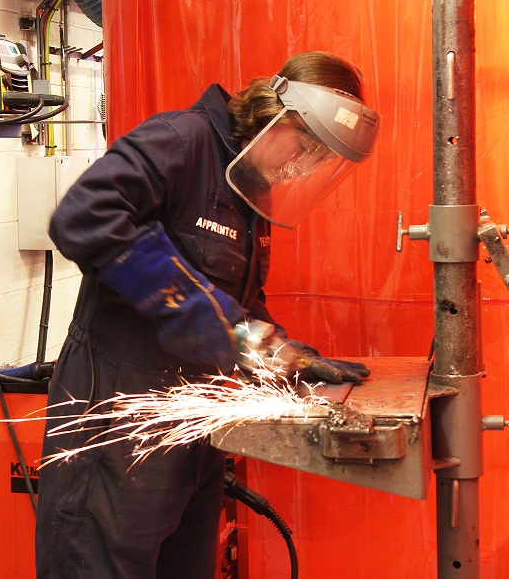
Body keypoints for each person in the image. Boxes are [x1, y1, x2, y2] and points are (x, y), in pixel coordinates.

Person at [35, 51, 381, 579]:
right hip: (119, 437)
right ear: (275, 110)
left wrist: (282, 352)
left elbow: (236, 300)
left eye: (318, 159)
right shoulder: (181, 141)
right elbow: (84, 215)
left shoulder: (248, 185)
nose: (302, 166)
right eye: (305, 146)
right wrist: (229, 329)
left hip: (193, 441)